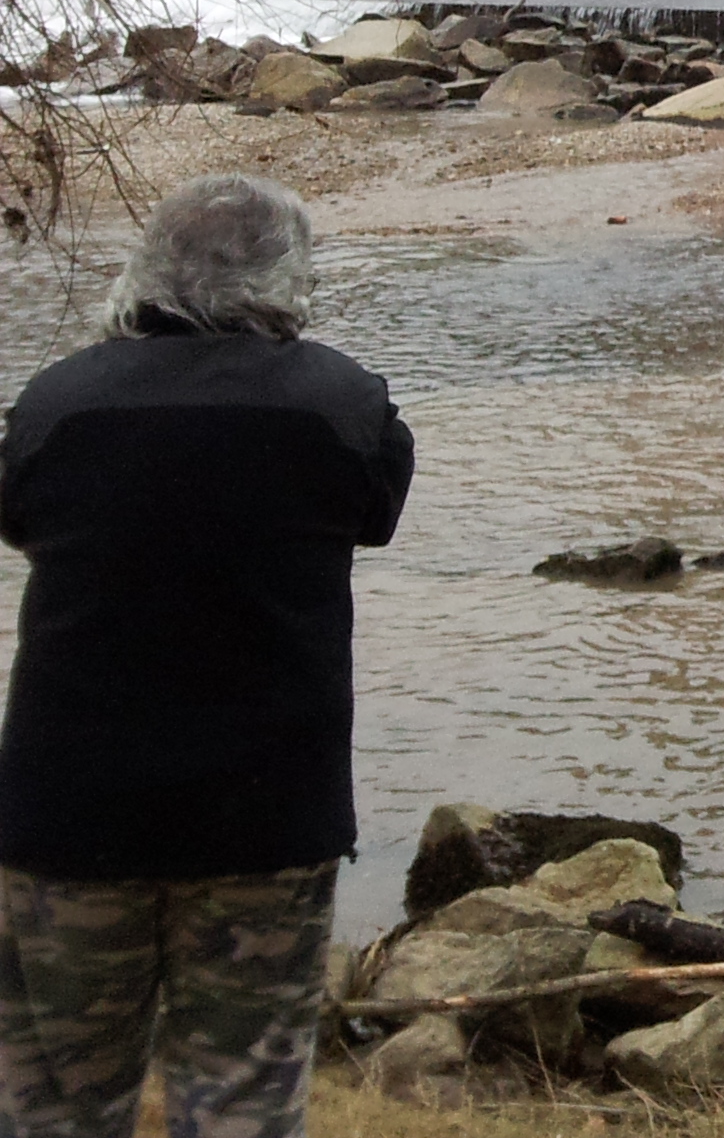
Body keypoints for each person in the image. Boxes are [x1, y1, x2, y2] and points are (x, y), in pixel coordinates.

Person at [0, 173, 416, 1138]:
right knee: (243, 1097)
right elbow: (377, 514)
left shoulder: (55, 403)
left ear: (147, 267)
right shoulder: (345, 404)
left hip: (69, 816)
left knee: (54, 1101)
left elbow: (17, 517)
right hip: (266, 817)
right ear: (291, 273)